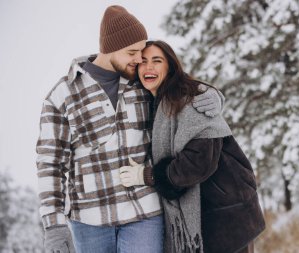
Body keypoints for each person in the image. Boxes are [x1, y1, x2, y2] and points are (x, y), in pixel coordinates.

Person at [36, 6, 222, 253]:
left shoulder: (141, 82)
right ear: (109, 48)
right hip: (89, 220)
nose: (139, 59)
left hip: (144, 214)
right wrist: (53, 225)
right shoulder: (63, 95)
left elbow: (181, 87)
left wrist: (213, 95)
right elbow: (50, 163)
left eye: (141, 51)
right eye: (132, 52)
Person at [119, 40, 266, 253]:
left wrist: (147, 176)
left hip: (226, 213)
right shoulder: (157, 103)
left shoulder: (190, 99)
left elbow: (198, 162)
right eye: (143, 62)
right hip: (213, 214)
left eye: (156, 61)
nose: (148, 67)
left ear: (170, 66)